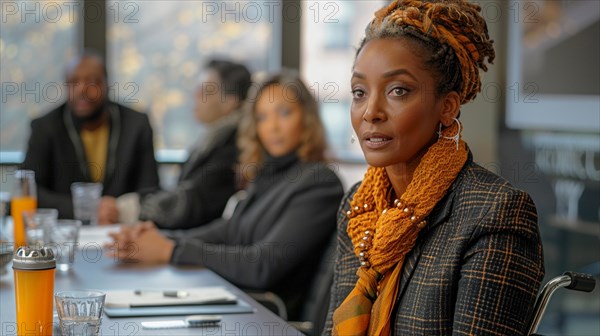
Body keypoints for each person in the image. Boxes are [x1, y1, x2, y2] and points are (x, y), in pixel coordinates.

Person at [324, 1, 545, 335]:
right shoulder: (360, 207)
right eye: (359, 92)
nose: (371, 112)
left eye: (398, 90)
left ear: (448, 106)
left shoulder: (495, 213)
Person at [107, 70, 344, 319]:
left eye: (284, 113)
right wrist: (157, 238)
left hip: (265, 315)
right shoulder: (268, 174)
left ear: (306, 118)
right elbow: (230, 231)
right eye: (262, 117)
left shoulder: (320, 182)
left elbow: (261, 265)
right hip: (237, 302)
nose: (272, 127)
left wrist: (170, 251)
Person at [21, 50, 159, 221]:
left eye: (92, 81)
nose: (82, 90)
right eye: (74, 82)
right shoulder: (45, 127)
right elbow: (28, 190)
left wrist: (120, 208)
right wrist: (86, 209)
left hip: (124, 232)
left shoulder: (136, 124)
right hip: (64, 234)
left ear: (107, 84)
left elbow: (150, 188)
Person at [115, 59, 252, 229]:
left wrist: (127, 209)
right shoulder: (215, 139)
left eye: (205, 90)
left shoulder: (238, 144)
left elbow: (194, 201)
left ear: (231, 101)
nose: (195, 96)